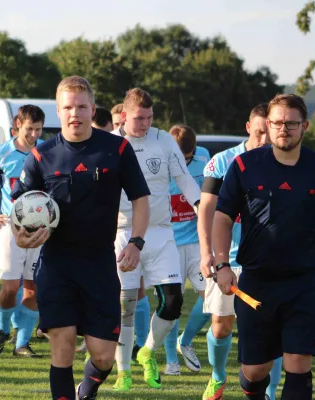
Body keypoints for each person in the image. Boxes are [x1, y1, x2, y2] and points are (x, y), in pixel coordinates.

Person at [12, 76, 150, 400]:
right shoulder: (41, 155)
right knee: (63, 342)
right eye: (68, 108)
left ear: (92, 108)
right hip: (56, 265)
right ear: (59, 111)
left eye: (82, 107)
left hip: (100, 265)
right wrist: (21, 236)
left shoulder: (116, 149)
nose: (76, 113)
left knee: (102, 356)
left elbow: (142, 199)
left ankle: (85, 390)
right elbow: (19, 208)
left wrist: (136, 241)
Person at [212, 93, 315, 400]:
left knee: (298, 363)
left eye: (291, 123)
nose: (283, 129)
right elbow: (222, 217)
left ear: (305, 126)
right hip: (257, 283)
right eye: (277, 122)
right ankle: (253, 389)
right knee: (255, 370)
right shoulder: (245, 166)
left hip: (307, 281)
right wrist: (221, 265)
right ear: (268, 124)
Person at [111, 88, 200, 392]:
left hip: (161, 231)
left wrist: (201, 207)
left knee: (173, 302)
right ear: (124, 115)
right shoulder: (112, 143)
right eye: (139, 118)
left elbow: (184, 178)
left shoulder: (163, 140)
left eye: (149, 117)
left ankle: (147, 351)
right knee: (126, 304)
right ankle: (123, 372)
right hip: (123, 231)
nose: (145, 123)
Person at [198, 103, 282, 400]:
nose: (263, 140)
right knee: (221, 328)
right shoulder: (222, 162)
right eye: (258, 133)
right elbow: (206, 210)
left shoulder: (280, 162)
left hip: (267, 264)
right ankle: (218, 376)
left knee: (271, 331)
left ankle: (269, 392)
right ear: (249, 128)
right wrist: (208, 253)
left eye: (268, 133)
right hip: (227, 260)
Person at [0, 104, 44, 357]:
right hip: (10, 228)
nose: (34, 134)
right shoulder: (2, 152)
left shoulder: (47, 151)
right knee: (10, 286)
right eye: (29, 129)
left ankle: (22, 343)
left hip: (40, 230)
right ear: (16, 127)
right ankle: (2, 328)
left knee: (34, 288)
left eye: (38, 129)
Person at [162, 125, 211, 376]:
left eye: (188, 156)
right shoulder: (159, 162)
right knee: (172, 304)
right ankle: (171, 359)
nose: (185, 162)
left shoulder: (203, 155)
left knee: (212, 299)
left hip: (196, 244)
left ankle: (186, 340)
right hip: (169, 245)